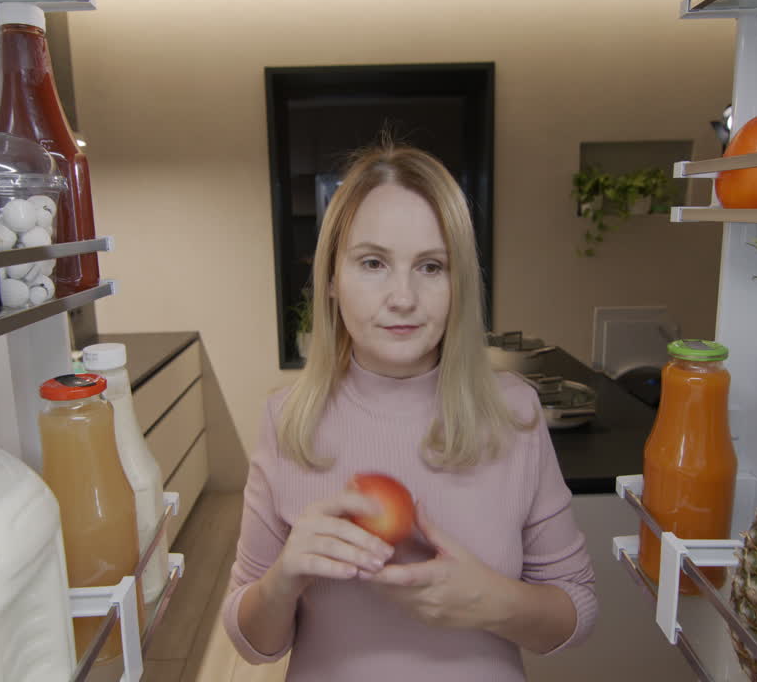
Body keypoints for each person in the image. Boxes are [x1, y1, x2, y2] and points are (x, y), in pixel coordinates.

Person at [222, 141, 598, 681]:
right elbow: (253, 644)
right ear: (331, 278)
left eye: (431, 266)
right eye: (373, 263)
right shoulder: (288, 420)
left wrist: (495, 604)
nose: (403, 297)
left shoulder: (513, 411)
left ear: (458, 282)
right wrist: (284, 579)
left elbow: (577, 611)